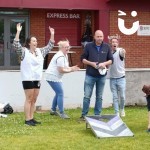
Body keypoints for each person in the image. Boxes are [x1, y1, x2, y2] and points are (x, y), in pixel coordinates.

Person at [13, 23, 55, 126]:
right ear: (29, 43)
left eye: (36, 41)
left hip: (37, 78)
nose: (35, 42)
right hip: (27, 79)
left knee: (34, 99)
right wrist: (18, 32)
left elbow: (50, 46)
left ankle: (32, 118)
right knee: (29, 99)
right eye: (33, 41)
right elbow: (15, 45)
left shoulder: (40, 51)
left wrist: (52, 34)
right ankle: (27, 120)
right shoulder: (24, 52)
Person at [80, 30, 113, 120]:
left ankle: (97, 115)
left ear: (103, 37)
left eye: (101, 36)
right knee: (87, 96)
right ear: (94, 37)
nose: (100, 38)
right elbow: (82, 59)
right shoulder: (88, 46)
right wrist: (91, 64)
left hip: (102, 76)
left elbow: (111, 60)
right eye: (98, 36)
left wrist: (104, 63)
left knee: (99, 97)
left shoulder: (107, 47)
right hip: (90, 75)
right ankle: (84, 115)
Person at [45, 39, 80, 119]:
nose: (68, 48)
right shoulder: (60, 56)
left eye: (68, 47)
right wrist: (71, 70)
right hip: (52, 76)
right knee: (60, 93)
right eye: (66, 47)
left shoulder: (65, 55)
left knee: (58, 93)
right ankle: (62, 113)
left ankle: (53, 110)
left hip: (56, 76)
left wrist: (72, 68)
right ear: (61, 48)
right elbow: (61, 70)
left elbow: (65, 68)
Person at [107, 34, 126, 117]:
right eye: (113, 42)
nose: (114, 43)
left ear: (117, 44)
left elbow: (123, 52)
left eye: (115, 42)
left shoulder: (120, 51)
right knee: (115, 97)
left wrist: (123, 51)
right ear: (111, 44)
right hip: (112, 79)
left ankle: (122, 109)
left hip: (121, 78)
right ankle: (116, 113)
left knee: (122, 96)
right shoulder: (109, 53)